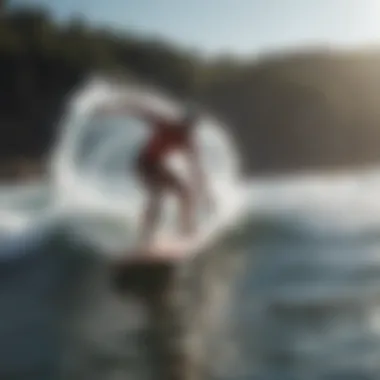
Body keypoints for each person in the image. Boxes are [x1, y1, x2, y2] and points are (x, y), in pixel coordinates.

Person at [95, 100, 211, 246]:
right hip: (143, 164)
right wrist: (109, 109)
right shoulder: (165, 123)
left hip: (157, 166)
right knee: (157, 197)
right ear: (182, 122)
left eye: (190, 128)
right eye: (185, 126)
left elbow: (197, 170)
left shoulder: (187, 141)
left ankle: (186, 231)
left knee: (186, 193)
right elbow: (138, 109)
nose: (187, 131)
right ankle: (145, 238)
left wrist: (205, 194)